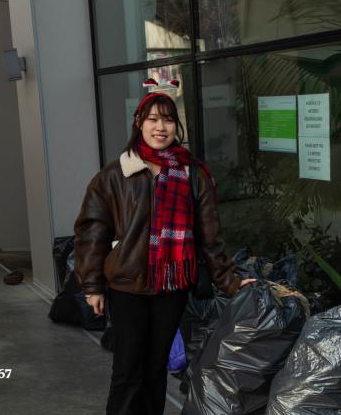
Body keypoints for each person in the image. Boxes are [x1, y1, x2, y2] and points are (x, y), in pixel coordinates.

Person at [73, 91, 254, 415]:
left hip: (171, 287)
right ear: (139, 123)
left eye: (168, 120)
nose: (161, 127)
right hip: (126, 285)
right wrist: (92, 285)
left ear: (176, 126)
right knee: (128, 369)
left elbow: (210, 236)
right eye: (153, 119)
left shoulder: (193, 174)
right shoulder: (115, 175)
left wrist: (229, 281)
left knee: (156, 368)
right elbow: (92, 232)